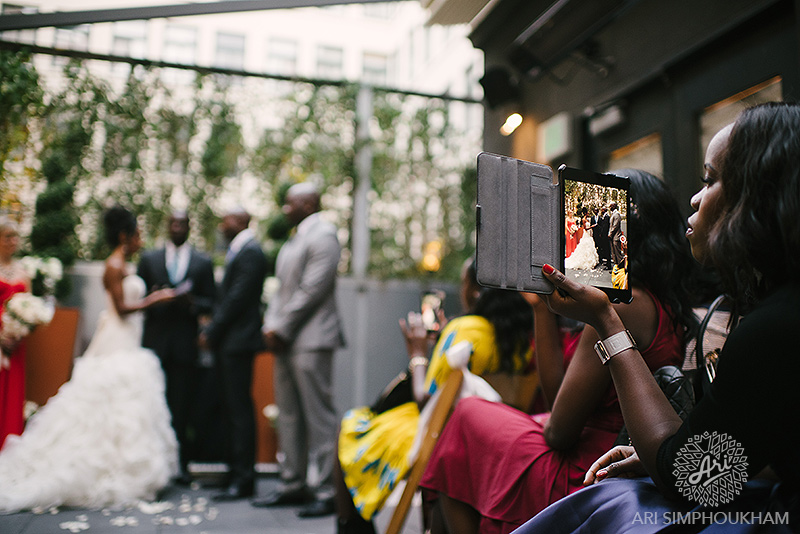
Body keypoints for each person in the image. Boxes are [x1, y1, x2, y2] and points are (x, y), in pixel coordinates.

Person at [514, 102, 800, 533]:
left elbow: (688, 479)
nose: (695, 197)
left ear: (756, 194)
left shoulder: (773, 329)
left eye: (711, 180)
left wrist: (606, 320)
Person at [419, 169, 701, 534]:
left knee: (466, 418)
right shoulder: (656, 300)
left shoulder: (619, 308)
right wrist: (541, 309)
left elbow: (559, 432)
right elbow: (557, 402)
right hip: (603, 451)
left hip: (589, 468)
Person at [0, 206, 178, 512]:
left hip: (128, 340)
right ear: (124, 236)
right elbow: (122, 308)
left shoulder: (124, 263)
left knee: (126, 407)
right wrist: (155, 299)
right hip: (117, 340)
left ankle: (123, 468)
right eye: (137, 234)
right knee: (108, 401)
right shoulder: (113, 265)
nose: (140, 239)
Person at [335, 279, 535, 534]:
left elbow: (426, 400)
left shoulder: (465, 329)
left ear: (475, 291)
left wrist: (417, 353)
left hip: (437, 434)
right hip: (488, 440)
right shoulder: (522, 339)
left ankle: (351, 528)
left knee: (351, 425)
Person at [253, 182, 345, 518]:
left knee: (318, 417)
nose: (285, 209)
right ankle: (292, 484)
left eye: (290, 203)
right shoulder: (297, 236)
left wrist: (282, 327)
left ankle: (326, 490)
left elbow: (312, 290)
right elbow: (282, 289)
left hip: (311, 339)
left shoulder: (324, 235)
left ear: (308, 203)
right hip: (287, 339)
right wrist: (270, 325)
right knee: (289, 415)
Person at [137, 210, 216, 485]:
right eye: (173, 222)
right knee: (152, 403)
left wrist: (191, 303)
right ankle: (150, 464)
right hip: (154, 343)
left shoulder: (203, 262)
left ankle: (179, 465)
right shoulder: (149, 258)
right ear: (167, 226)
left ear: (189, 227)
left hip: (184, 346)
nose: (177, 227)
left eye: (182, 223)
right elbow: (138, 296)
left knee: (181, 407)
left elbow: (211, 302)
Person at [199, 207, 268, 501]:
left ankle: (244, 479)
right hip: (230, 342)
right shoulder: (239, 250)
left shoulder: (251, 252)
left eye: (226, 219)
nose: (222, 224)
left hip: (238, 342)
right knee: (229, 408)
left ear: (240, 222)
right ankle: (233, 472)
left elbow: (237, 298)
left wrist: (211, 330)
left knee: (239, 410)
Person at [0, 218, 31, 449]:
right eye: (8, 236)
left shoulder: (23, 272)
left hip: (16, 341)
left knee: (12, 394)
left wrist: (20, 331)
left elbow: (30, 308)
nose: (13, 241)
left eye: (15, 237)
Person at [608, 201, 623, 267]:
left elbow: (615, 226)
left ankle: (621, 267)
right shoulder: (613, 214)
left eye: (611, 206)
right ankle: (616, 267)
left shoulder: (617, 214)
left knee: (617, 253)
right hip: (612, 237)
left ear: (614, 206)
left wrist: (610, 234)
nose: (610, 207)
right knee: (613, 253)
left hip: (616, 236)